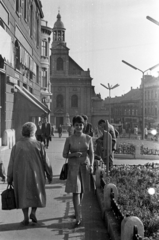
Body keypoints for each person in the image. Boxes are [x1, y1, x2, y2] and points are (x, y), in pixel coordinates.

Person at [7, 122, 53, 226]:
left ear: (23, 132)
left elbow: (11, 163)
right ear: (34, 132)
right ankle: (33, 212)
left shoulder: (17, 146)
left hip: (21, 175)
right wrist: (49, 174)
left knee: (23, 195)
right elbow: (46, 162)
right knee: (35, 193)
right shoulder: (39, 145)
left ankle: (25, 217)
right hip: (37, 174)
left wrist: (9, 177)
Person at [63, 115, 94, 227]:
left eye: (81, 125)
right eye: (76, 125)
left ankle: (77, 211)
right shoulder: (69, 139)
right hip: (73, 167)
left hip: (85, 166)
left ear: (83, 125)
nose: (79, 127)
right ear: (73, 126)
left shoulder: (88, 138)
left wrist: (91, 165)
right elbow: (64, 154)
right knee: (76, 191)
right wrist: (74, 154)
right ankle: (78, 216)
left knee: (82, 191)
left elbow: (91, 153)